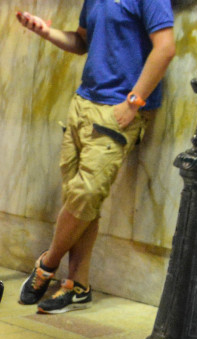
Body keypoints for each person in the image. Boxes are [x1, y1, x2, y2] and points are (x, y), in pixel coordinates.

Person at [16, 4, 176, 314]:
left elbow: (165, 48)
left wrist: (133, 102)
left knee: (85, 194)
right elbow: (82, 42)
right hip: (82, 104)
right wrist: (47, 32)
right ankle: (78, 287)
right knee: (80, 202)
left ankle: (47, 264)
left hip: (116, 111)